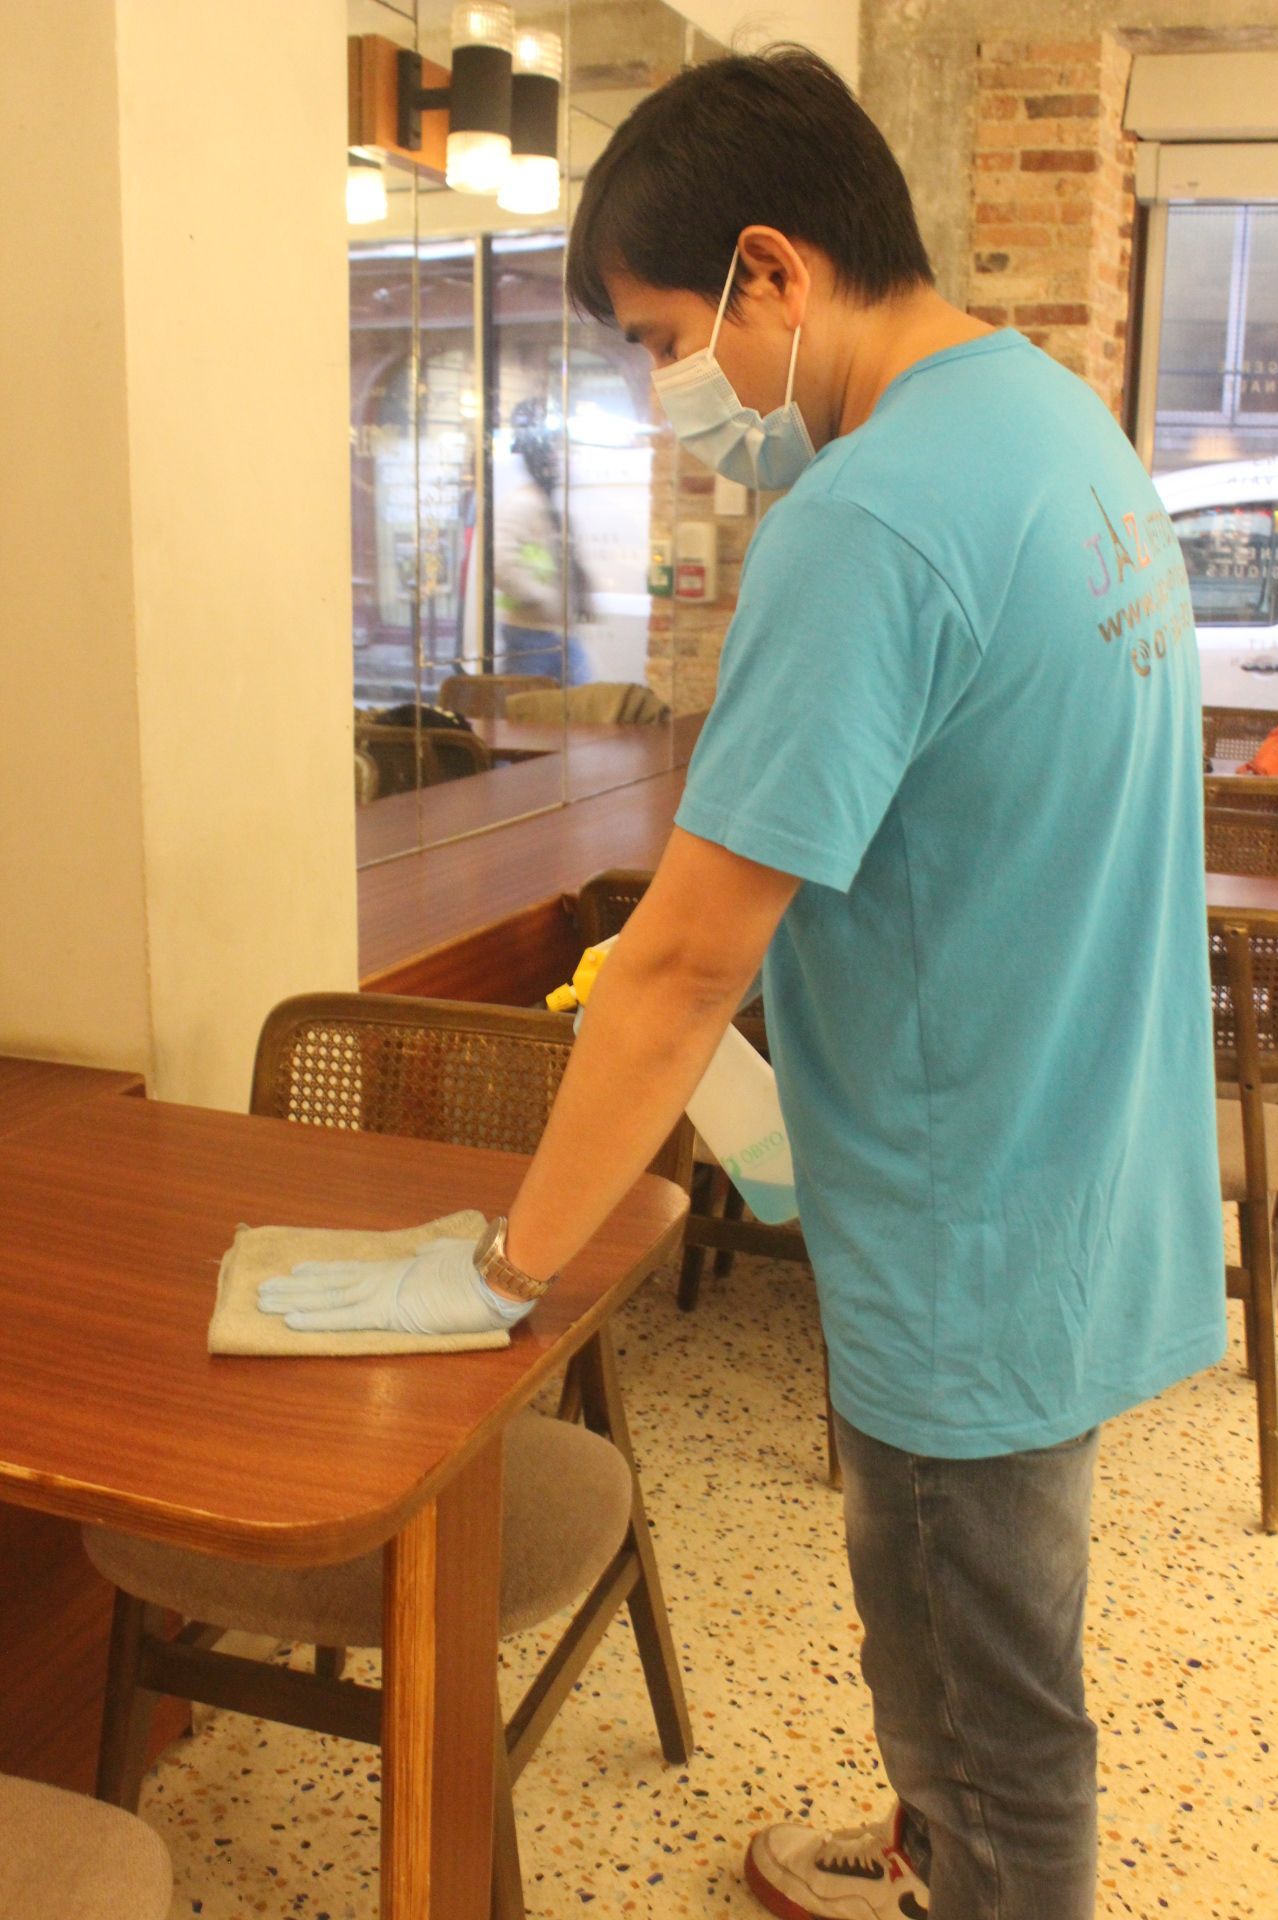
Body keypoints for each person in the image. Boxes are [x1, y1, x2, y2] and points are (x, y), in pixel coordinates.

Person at [259, 47, 1225, 1920]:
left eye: (653, 335)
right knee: (971, 1641)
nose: (661, 387)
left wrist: (513, 1270)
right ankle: (935, 1843)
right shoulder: (1056, 421)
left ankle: (981, 1861)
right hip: (1079, 1171)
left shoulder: (864, 521)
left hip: (968, 1234)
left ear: (772, 273)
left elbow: (688, 957)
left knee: (985, 1684)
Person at [493, 395, 593, 685]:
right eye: (554, 450)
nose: (560, 459)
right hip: (531, 633)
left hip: (555, 632)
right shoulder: (522, 506)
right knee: (531, 716)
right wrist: (541, 598)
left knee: (575, 710)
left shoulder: (549, 505)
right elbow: (501, 562)